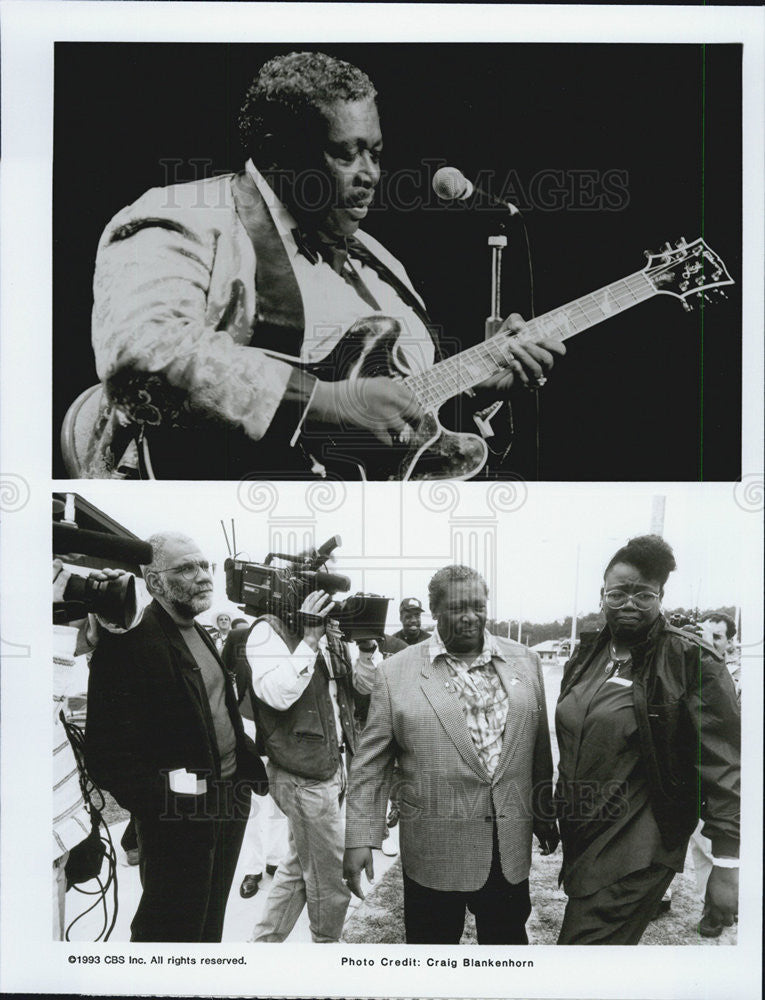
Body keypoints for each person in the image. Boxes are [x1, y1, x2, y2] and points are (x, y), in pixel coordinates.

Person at [83, 50, 564, 480]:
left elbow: (395, 419)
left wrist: (469, 384)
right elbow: (142, 351)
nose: (370, 174)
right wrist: (327, 403)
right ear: (276, 149)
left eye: (375, 153)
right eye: (345, 152)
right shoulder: (184, 214)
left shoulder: (380, 260)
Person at [344, 564, 558, 945]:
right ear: (435, 610)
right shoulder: (395, 673)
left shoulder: (526, 661)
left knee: (507, 959)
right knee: (431, 962)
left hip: (507, 849)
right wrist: (361, 837)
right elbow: (370, 763)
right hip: (434, 853)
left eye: (478, 605)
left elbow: (538, 745)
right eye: (458, 608)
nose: (470, 616)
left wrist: (543, 814)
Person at [554, 535, 740, 945]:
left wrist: (727, 864)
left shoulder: (690, 660)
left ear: (661, 596)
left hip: (639, 847)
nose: (629, 605)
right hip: (586, 836)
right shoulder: (587, 655)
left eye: (643, 594)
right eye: (618, 593)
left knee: (579, 956)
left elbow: (726, 765)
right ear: (602, 595)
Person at [84, 532, 267, 942]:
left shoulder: (199, 630)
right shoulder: (128, 641)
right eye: (187, 568)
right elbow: (106, 755)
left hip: (229, 801)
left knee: (209, 924)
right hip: (179, 820)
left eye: (205, 566)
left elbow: (218, 710)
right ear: (154, 583)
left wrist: (247, 768)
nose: (203, 576)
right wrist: (165, 805)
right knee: (167, 931)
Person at [244, 586, 358, 942]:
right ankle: (326, 952)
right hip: (302, 776)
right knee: (328, 880)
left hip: (326, 768)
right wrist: (309, 639)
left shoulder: (327, 631)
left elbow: (349, 693)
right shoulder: (267, 630)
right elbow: (276, 694)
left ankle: (262, 946)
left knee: (296, 868)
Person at [687, 610, 740, 937]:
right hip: (706, 776)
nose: (707, 643)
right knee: (702, 846)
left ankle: (728, 902)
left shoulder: (744, 676)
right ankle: (711, 906)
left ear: (730, 642)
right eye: (703, 635)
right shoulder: (698, 671)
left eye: (716, 637)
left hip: (738, 776)